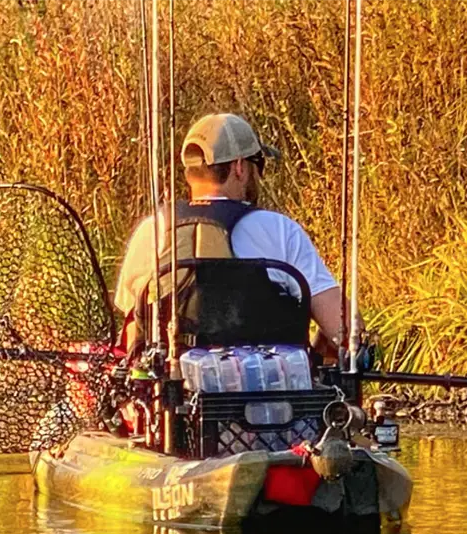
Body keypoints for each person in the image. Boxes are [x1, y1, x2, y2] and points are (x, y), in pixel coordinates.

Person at [114, 113, 349, 355]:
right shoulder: (281, 231)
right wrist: (319, 352)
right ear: (239, 167)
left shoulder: (151, 231)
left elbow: (134, 330)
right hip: (266, 391)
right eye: (258, 164)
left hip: (175, 388)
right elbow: (344, 331)